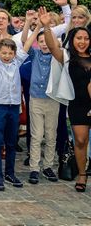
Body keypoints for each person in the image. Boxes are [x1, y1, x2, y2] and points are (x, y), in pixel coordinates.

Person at [0, 25, 35, 191]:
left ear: (14, 54)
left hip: (14, 107)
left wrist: (39, 26)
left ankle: (10, 172)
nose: (7, 56)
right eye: (3, 53)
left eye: (10, 53)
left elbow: (27, 45)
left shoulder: (16, 62)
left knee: (12, 142)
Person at [43, 21, 91, 192]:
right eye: (79, 38)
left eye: (86, 38)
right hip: (78, 104)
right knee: (80, 140)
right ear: (73, 39)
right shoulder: (68, 57)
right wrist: (46, 27)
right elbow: (52, 46)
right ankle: (82, 174)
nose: (82, 41)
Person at [24, 9, 60, 184]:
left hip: (52, 99)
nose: (44, 44)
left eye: (47, 41)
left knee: (50, 134)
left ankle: (48, 166)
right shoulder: (35, 54)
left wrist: (47, 29)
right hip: (36, 99)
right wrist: (35, 26)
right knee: (36, 135)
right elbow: (25, 42)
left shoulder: (58, 56)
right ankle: (34, 168)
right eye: (41, 41)